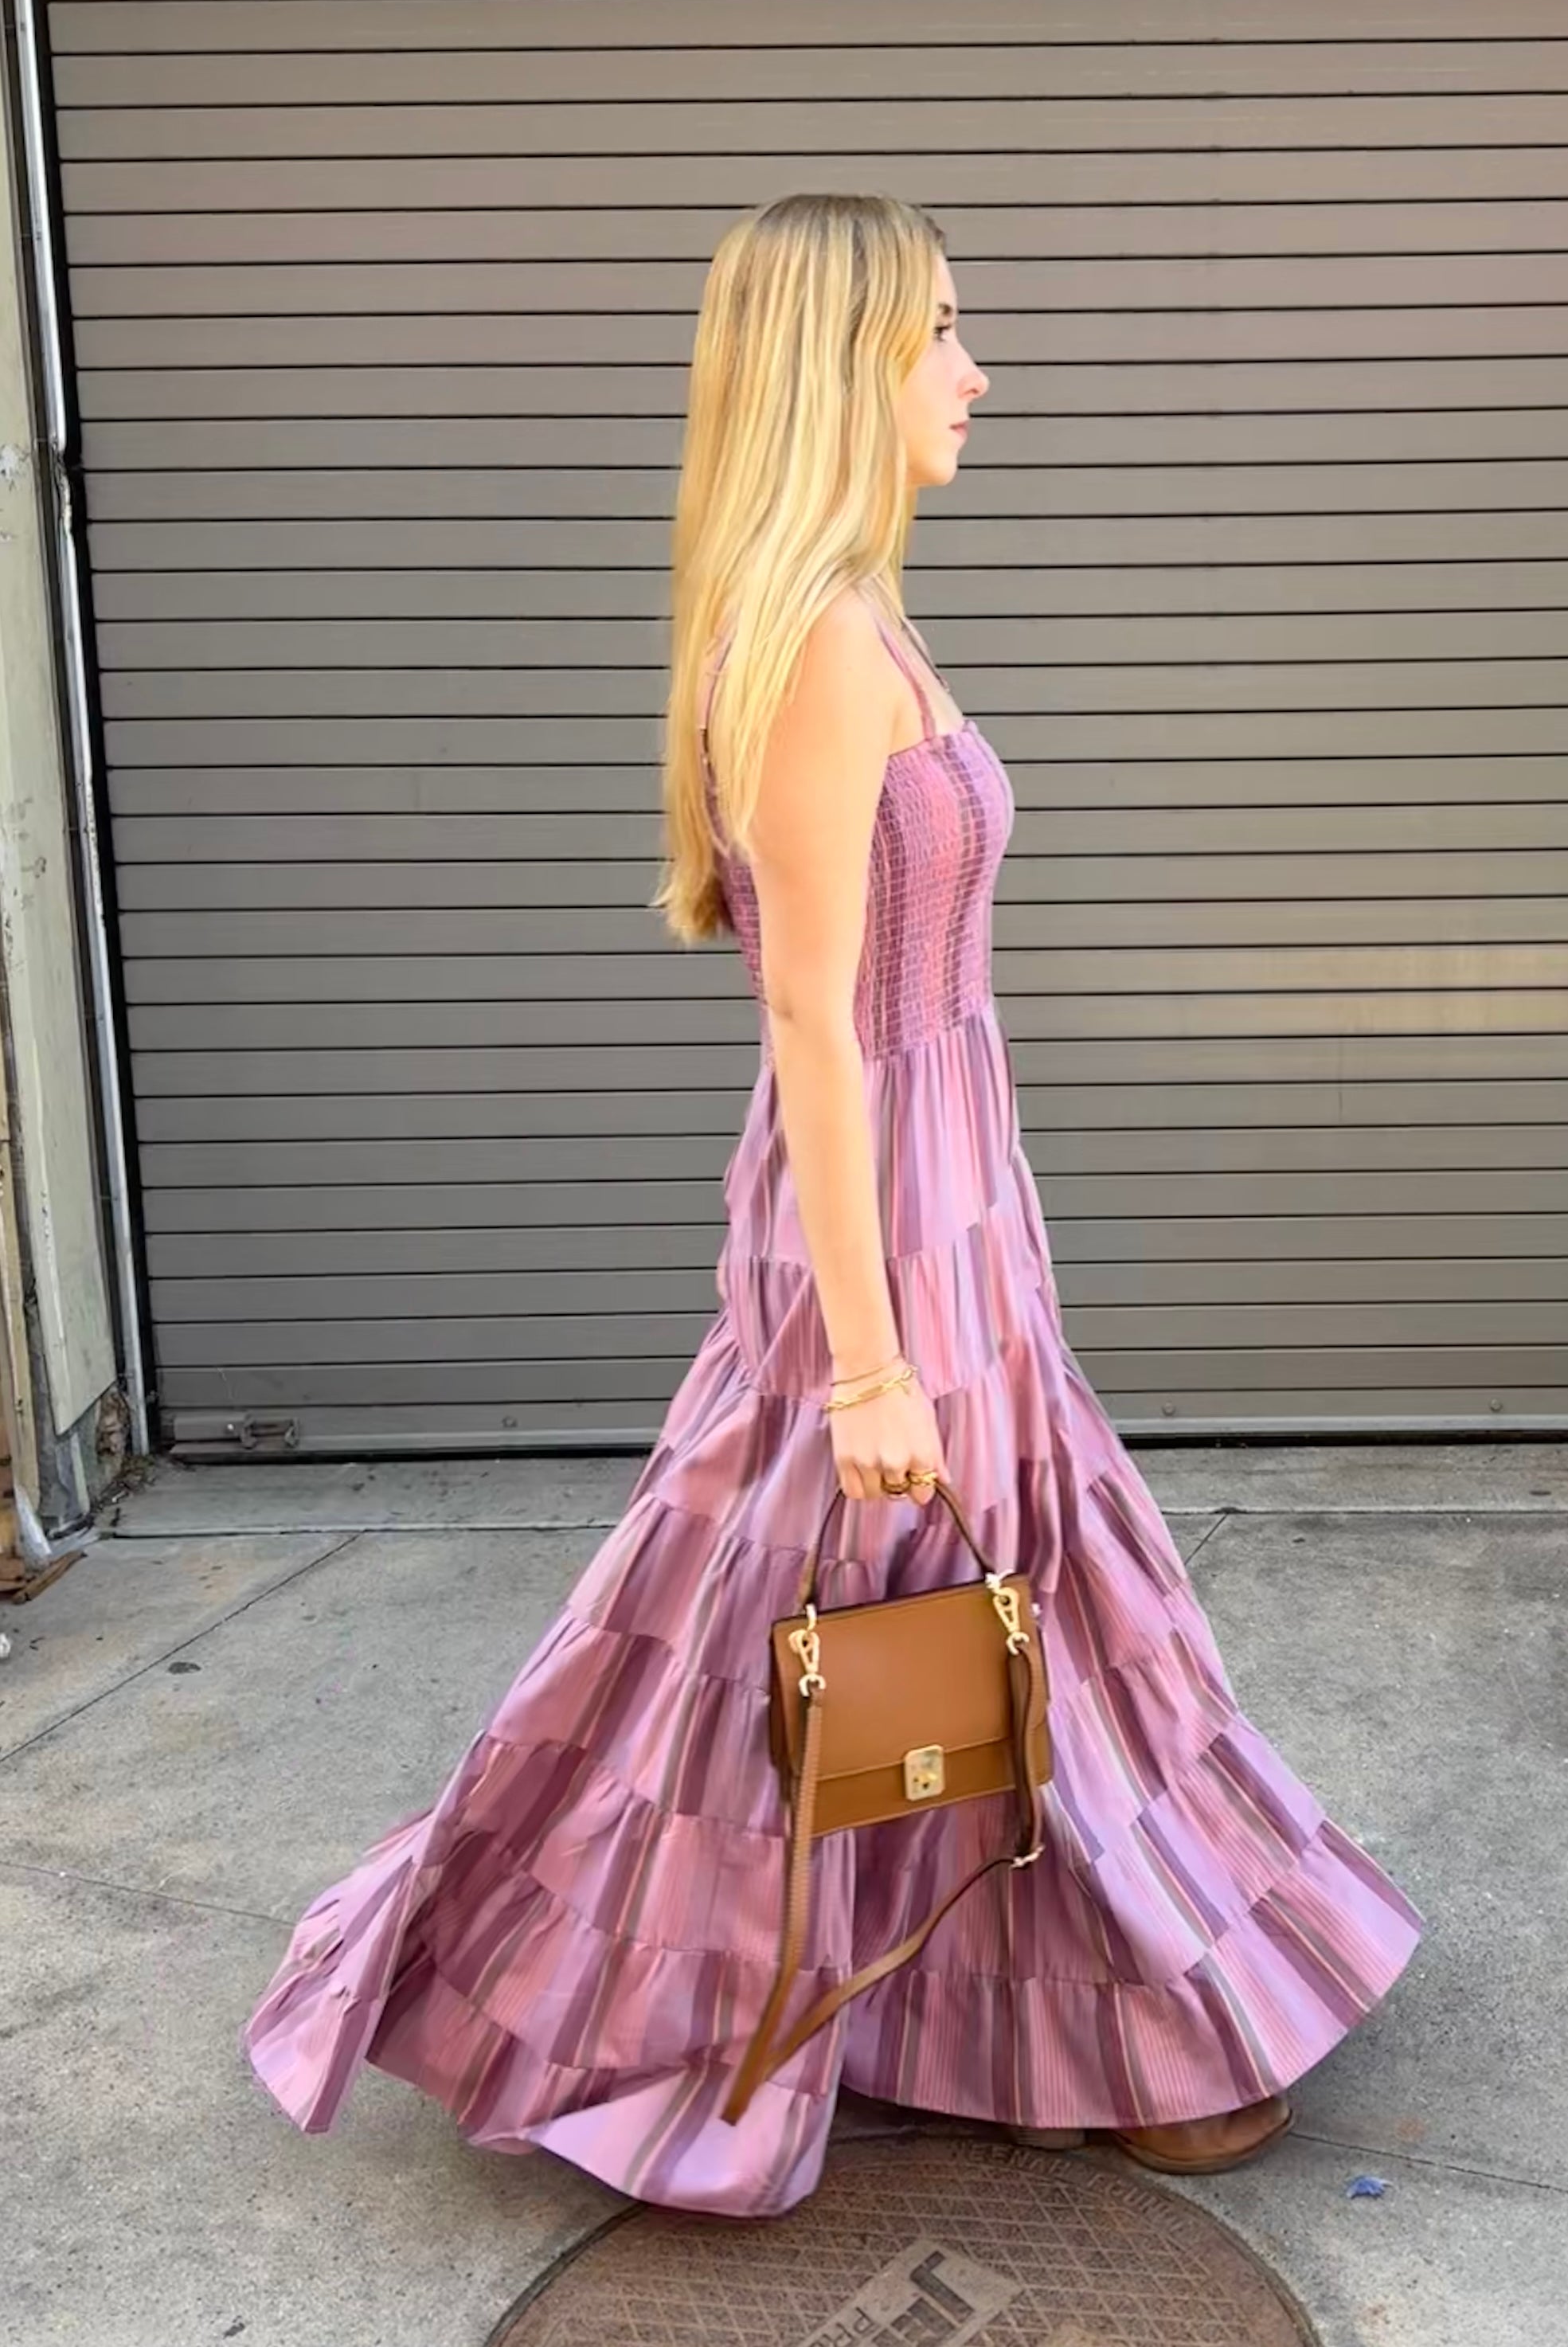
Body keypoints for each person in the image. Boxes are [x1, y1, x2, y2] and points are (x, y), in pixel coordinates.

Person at [240, 191, 1424, 2220]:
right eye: (943, 330)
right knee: (813, 1617)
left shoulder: (866, 616)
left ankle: (1044, 2006)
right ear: (840, 368)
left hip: (953, 1178)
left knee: (958, 1602)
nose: (979, 369)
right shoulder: (809, 646)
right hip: (876, 1204)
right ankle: (629, 1991)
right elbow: (809, 1010)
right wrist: (869, 1354)